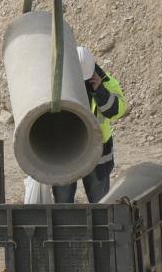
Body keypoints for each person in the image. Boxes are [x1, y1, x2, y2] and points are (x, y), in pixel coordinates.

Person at [52, 46, 127, 203]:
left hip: (97, 154)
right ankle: (66, 227)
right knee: (62, 202)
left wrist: (100, 91)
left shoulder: (107, 83)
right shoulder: (58, 83)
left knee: (100, 202)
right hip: (66, 151)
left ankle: (101, 228)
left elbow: (117, 111)